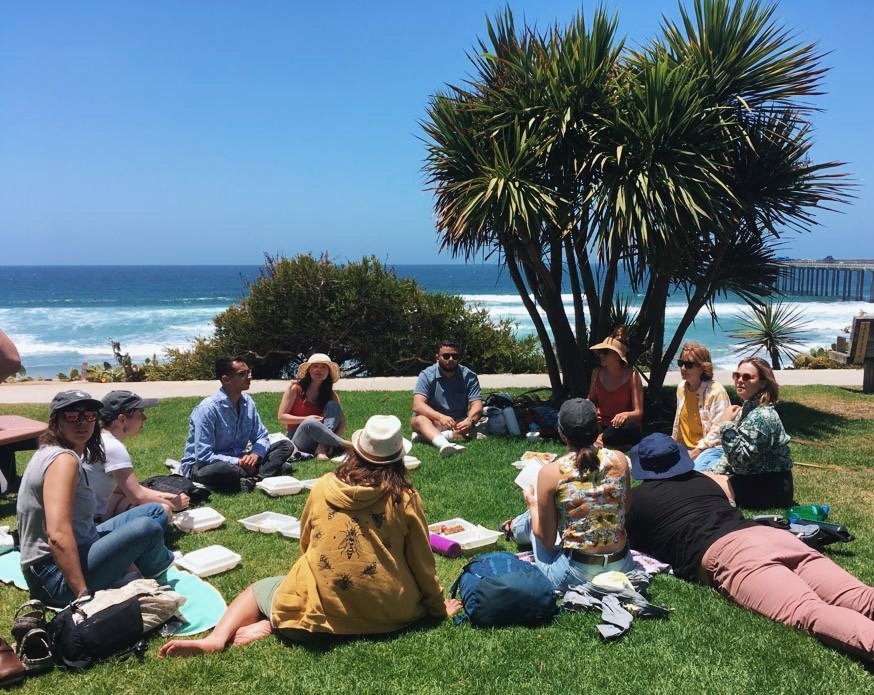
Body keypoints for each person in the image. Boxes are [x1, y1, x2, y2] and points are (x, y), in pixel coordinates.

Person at [159, 415, 461, 657]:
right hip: (388, 617)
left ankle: (220, 638)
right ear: (397, 457)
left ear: (357, 452)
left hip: (309, 623)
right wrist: (436, 608)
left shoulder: (323, 486)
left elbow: (308, 543)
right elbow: (422, 562)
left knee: (260, 589)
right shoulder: (405, 497)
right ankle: (272, 623)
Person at [626, 433, 874, 663]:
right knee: (859, 595)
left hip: (731, 554)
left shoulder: (638, 502)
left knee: (807, 611)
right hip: (772, 537)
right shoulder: (704, 480)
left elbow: (622, 544)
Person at [16, 390, 174, 605]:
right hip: (54, 578)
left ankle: (137, 570)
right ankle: (156, 577)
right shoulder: (63, 461)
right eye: (72, 416)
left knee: (154, 511)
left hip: (75, 550)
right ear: (56, 421)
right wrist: (82, 596)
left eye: (89, 415)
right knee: (147, 528)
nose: (82, 422)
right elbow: (57, 535)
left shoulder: (52, 451)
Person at [506, 398, 634, 590]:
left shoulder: (551, 472)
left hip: (576, 573)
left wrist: (533, 505)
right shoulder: (620, 459)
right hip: (622, 565)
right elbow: (626, 506)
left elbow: (548, 542)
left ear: (561, 433)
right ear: (598, 429)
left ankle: (513, 528)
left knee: (535, 520)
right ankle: (514, 527)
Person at [181, 357, 293, 492]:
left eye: (249, 372)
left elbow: (261, 436)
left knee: (285, 445)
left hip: (240, 458)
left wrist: (255, 455)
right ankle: (265, 471)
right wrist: (239, 462)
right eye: (242, 374)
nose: (249, 377)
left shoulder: (248, 402)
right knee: (224, 469)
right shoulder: (207, 409)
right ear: (226, 380)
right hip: (205, 466)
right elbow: (204, 456)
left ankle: (254, 478)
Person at [83, 390, 189, 522]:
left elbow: (121, 488)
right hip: (93, 521)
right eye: (140, 414)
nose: (145, 418)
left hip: (87, 514)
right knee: (162, 511)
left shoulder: (98, 440)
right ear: (122, 419)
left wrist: (167, 495)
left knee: (128, 497)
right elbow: (137, 496)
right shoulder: (113, 447)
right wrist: (173, 504)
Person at [709, 357, 794, 509]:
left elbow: (740, 462)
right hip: (752, 478)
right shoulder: (749, 409)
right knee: (703, 480)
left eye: (747, 377)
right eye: (737, 375)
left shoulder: (762, 416)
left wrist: (726, 425)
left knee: (701, 487)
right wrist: (715, 472)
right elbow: (731, 457)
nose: (740, 380)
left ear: (763, 383)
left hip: (769, 488)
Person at [410, 340, 483, 458]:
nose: (450, 359)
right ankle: (445, 445)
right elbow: (417, 405)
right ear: (437, 357)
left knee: (477, 425)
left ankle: (426, 437)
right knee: (419, 420)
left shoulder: (469, 376)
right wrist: (440, 417)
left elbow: (477, 404)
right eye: (446, 356)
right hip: (432, 421)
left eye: (455, 356)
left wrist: (470, 421)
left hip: (457, 422)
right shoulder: (427, 375)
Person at [277, 353, 351, 461]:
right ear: (309, 370)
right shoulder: (295, 389)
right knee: (310, 422)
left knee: (333, 405)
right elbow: (281, 417)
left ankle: (322, 447)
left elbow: (341, 421)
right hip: (299, 439)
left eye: (323, 367)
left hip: (320, 440)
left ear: (328, 372)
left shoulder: (330, 394)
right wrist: (305, 419)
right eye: (315, 366)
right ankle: (347, 445)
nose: (319, 370)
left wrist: (329, 442)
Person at [670, 342, 731, 471]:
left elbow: (719, 430)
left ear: (703, 367)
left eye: (689, 365)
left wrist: (696, 451)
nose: (683, 368)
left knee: (696, 474)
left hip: (711, 449)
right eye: (681, 363)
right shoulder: (681, 388)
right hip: (686, 448)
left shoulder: (716, 391)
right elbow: (679, 425)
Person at [587, 327, 643, 448]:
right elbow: (590, 400)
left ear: (618, 356)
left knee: (630, 426)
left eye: (606, 352)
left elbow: (638, 412)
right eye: (601, 352)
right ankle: (603, 438)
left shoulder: (632, 376)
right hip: (600, 423)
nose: (601, 355)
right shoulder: (596, 372)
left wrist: (625, 415)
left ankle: (601, 439)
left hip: (619, 426)